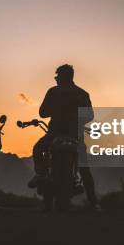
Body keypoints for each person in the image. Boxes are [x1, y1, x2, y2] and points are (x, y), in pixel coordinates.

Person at [29, 64, 100, 210]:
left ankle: (40, 174)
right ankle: (94, 203)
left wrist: (57, 110)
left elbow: (42, 113)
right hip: (76, 136)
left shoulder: (53, 92)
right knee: (84, 170)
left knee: (37, 149)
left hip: (54, 134)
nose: (55, 79)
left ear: (62, 76)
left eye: (57, 76)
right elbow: (90, 116)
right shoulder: (82, 93)